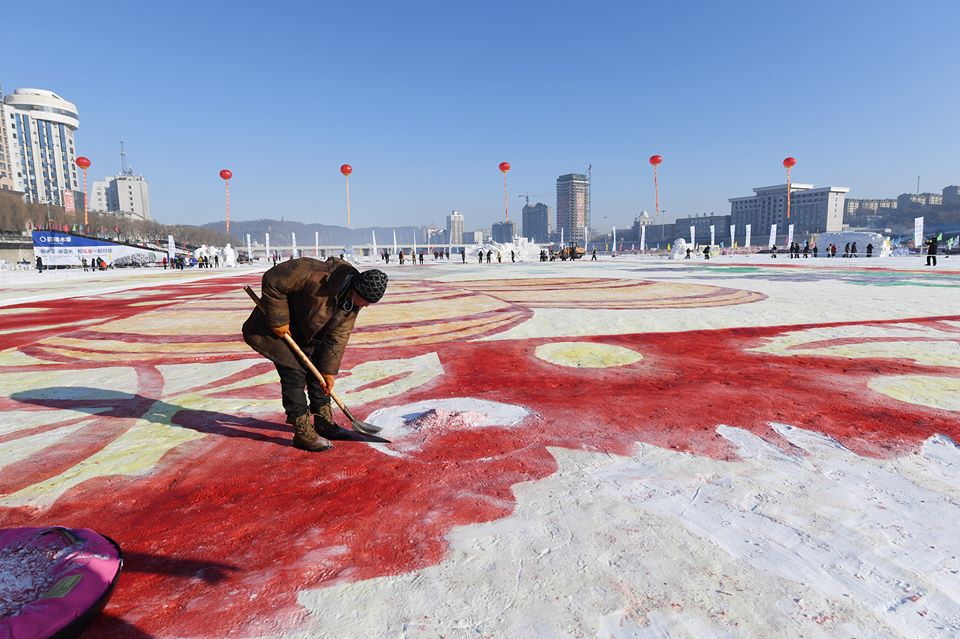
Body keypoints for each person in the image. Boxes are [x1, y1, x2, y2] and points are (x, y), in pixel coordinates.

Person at [243, 258, 388, 452]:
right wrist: (279, 320)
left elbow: (339, 336)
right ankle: (302, 431)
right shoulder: (315, 273)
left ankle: (323, 422)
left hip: (308, 334)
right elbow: (273, 279)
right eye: (366, 301)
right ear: (357, 290)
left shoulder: (352, 303)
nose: (366, 306)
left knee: (318, 373)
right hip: (276, 330)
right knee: (294, 375)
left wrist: (328, 372)